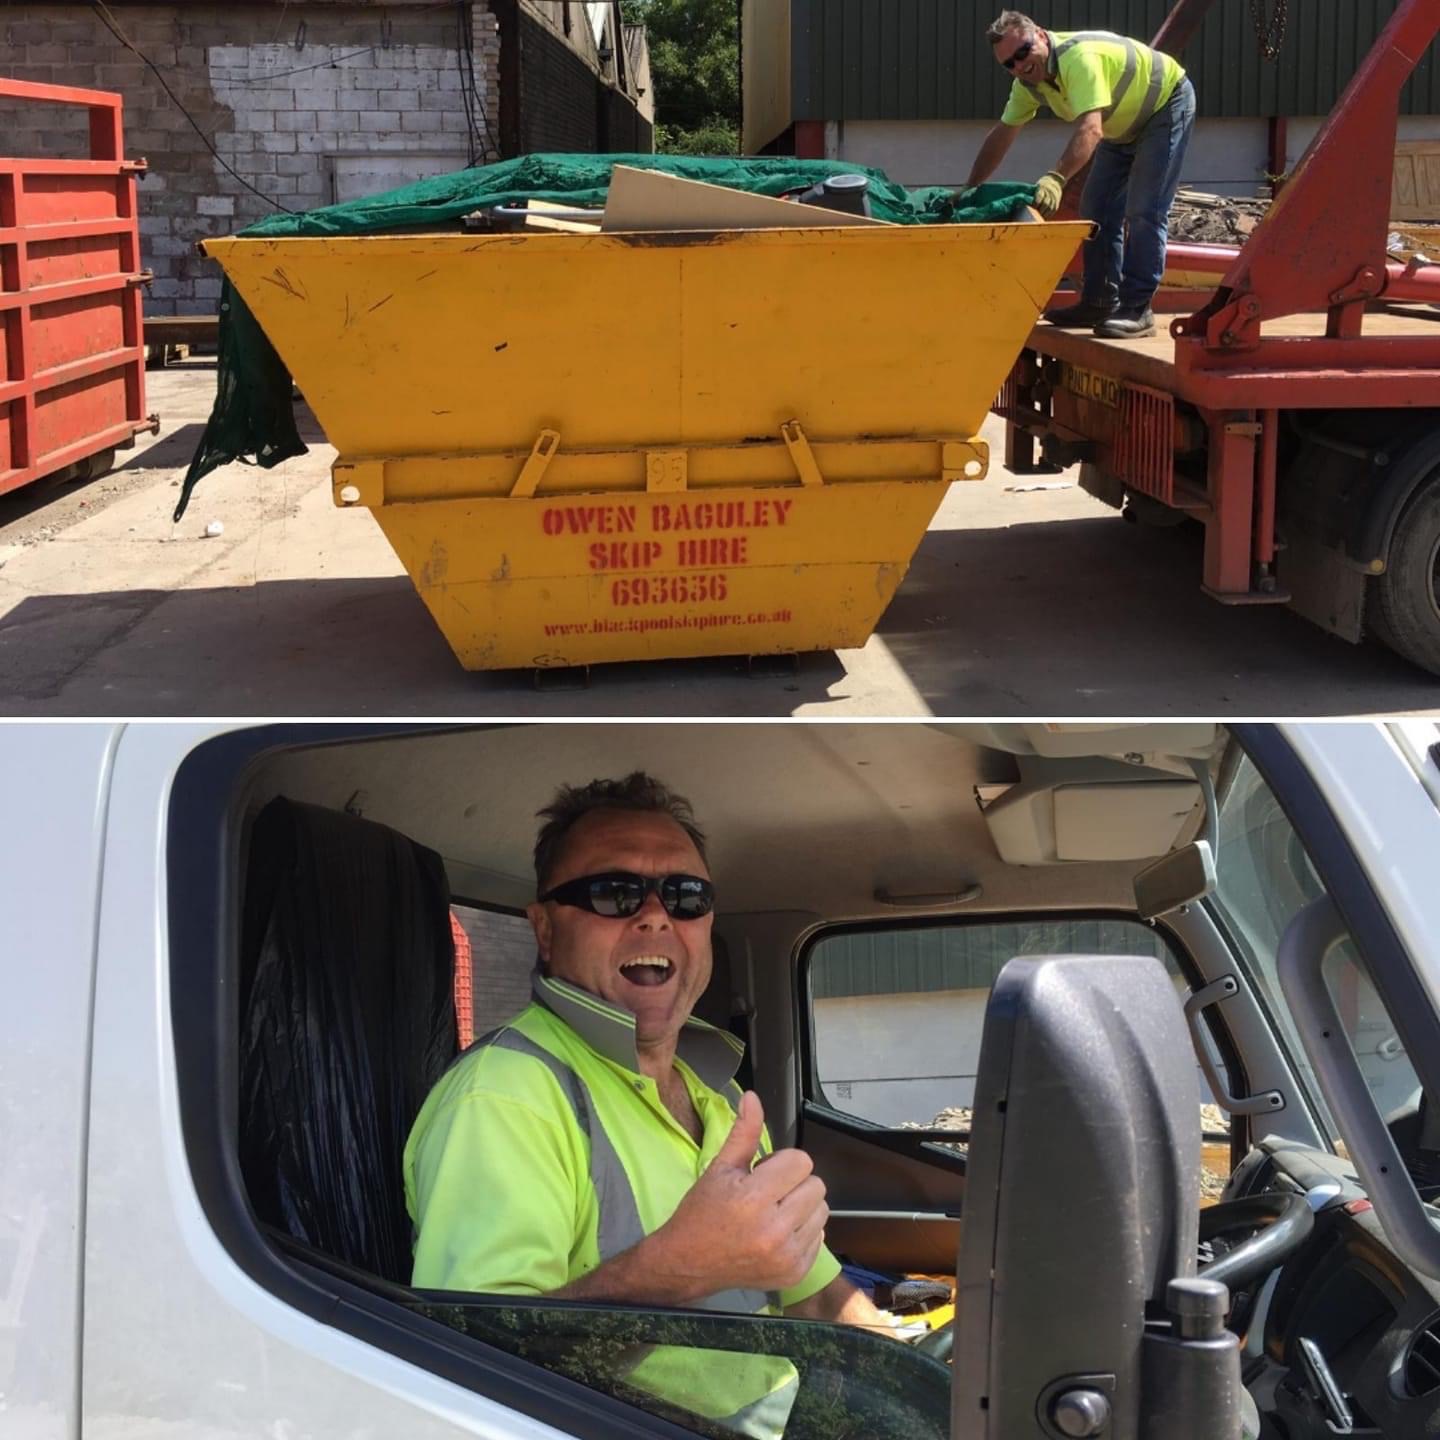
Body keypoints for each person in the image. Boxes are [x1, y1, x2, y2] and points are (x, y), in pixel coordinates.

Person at [404, 773, 891, 1436]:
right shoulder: (507, 1098)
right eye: (614, 892)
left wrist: (907, 1371)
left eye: (686, 896)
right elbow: (472, 1376)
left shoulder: (717, 1095)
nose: (656, 915)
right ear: (545, 929)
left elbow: (819, 1293)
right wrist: (673, 1273)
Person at [962, 11, 1196, 340]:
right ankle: (1099, 302)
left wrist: (1056, 178)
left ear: (1041, 35)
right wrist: (970, 188)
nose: (1019, 65)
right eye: (1009, 64)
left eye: (1023, 51)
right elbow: (1004, 133)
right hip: (1121, 129)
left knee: (1145, 210)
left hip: (1164, 107)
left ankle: (1137, 308)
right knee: (1095, 210)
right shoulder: (1028, 85)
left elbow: (1091, 128)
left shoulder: (1079, 59)